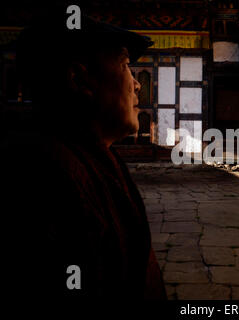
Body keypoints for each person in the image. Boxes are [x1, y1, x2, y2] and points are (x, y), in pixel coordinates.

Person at [3, 8, 166, 300]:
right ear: (80, 79)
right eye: (126, 65)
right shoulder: (47, 179)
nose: (137, 83)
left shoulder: (95, 155)